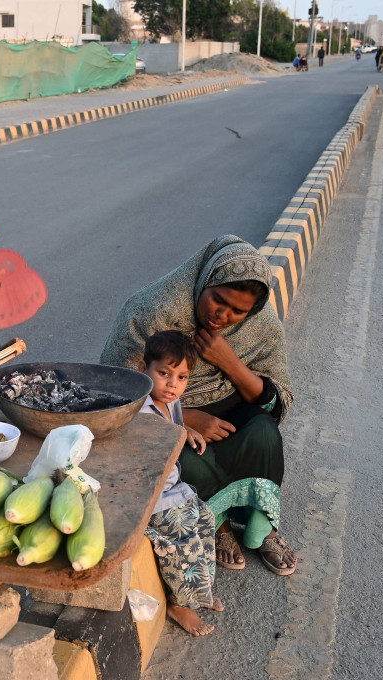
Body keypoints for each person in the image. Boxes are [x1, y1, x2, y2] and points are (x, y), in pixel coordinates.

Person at [101, 235, 297, 577]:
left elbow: (276, 402)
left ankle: (261, 530)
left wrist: (229, 361)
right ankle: (217, 526)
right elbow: (117, 387)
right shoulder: (154, 310)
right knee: (187, 459)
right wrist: (185, 417)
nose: (223, 315)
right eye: (217, 300)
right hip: (165, 412)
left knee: (264, 433)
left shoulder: (261, 326)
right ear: (205, 280)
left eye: (239, 310)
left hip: (231, 406)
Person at [138, 331, 224, 637]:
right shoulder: (140, 411)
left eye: (182, 377)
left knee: (205, 519)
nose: (173, 384)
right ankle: (179, 604)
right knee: (183, 541)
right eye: (164, 374)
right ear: (143, 369)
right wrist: (178, 435)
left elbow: (172, 428)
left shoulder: (169, 401)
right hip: (155, 496)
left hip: (174, 489)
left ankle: (200, 591)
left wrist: (185, 429)